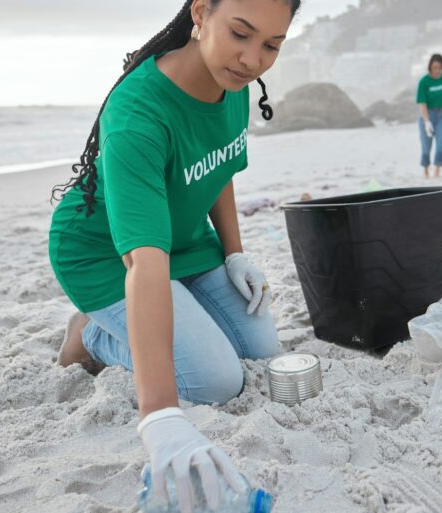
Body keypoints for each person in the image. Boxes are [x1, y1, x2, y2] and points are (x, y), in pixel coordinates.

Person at [47, 1, 299, 512]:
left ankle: (164, 315)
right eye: (241, 34)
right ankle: (91, 335)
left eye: (271, 45)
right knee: (214, 380)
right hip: (105, 254)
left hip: (186, 240)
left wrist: (234, 255)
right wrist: (160, 417)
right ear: (202, 13)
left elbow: (219, 164)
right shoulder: (139, 112)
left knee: (262, 353)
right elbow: (144, 264)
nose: (252, 59)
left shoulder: (233, 84)